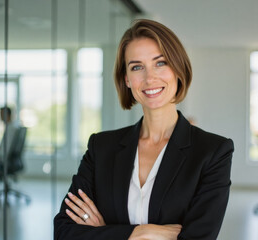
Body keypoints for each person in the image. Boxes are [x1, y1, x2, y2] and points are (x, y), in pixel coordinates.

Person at [54, 19, 234, 240]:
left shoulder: (213, 152)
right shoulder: (101, 147)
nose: (150, 78)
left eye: (160, 63)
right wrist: (141, 232)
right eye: (137, 67)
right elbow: (64, 232)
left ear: (178, 69)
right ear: (127, 79)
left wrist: (103, 232)